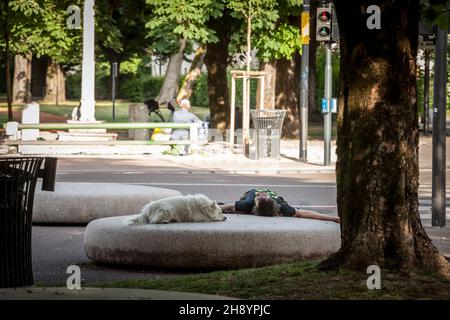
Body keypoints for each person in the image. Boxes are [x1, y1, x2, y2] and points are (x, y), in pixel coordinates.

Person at [219, 188, 340, 223]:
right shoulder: (282, 206)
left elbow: (227, 206)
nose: (261, 194)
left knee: (238, 208)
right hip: (251, 195)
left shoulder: (250, 202)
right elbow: (303, 213)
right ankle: (237, 210)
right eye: (261, 196)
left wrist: (333, 219)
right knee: (237, 207)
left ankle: (238, 210)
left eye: (262, 196)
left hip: (250, 201)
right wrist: (334, 218)